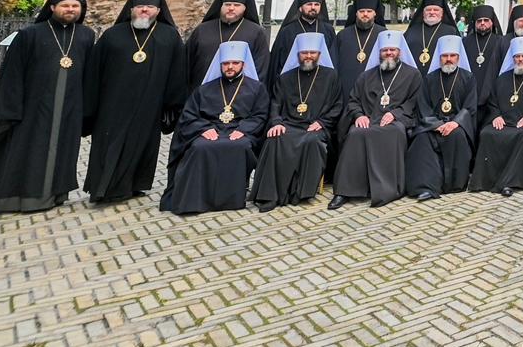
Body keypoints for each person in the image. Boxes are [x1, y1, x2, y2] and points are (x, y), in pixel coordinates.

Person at [0, 0, 94, 213]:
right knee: (28, 152)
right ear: (52, 7)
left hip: (69, 107)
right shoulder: (30, 34)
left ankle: (56, 195)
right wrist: (11, 109)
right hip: (32, 107)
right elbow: (11, 73)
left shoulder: (86, 35)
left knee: (62, 151)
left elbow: (90, 73)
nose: (70, 9)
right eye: (65, 5)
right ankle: (20, 199)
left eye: (75, 6)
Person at [82, 0, 188, 205]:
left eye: (150, 6)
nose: (144, 10)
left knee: (142, 146)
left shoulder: (169, 36)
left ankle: (133, 185)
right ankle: (103, 189)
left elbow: (178, 71)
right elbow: (94, 70)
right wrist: (91, 104)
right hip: (112, 104)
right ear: (131, 9)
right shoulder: (113, 34)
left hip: (150, 104)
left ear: (158, 10)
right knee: (108, 146)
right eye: (140, 6)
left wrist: (172, 104)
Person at [167, 40, 269, 215]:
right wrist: (202, 129)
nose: (230, 67)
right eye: (226, 63)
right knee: (199, 146)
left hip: (240, 131)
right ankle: (197, 199)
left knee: (241, 146)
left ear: (243, 65)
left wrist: (243, 130)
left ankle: (231, 199)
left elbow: (260, 115)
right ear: (220, 65)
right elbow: (189, 115)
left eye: (235, 63)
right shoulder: (204, 89)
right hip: (209, 129)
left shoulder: (257, 88)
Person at [329, 30, 421, 209]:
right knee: (355, 133)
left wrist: (396, 113)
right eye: (385, 50)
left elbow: (414, 101)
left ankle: (386, 189)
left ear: (399, 51)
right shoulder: (366, 76)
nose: (388, 53)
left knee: (395, 132)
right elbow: (354, 100)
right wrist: (359, 115)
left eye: (392, 50)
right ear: (379, 52)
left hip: (395, 122)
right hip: (369, 120)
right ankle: (344, 191)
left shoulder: (413, 74)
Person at [252, 32, 342, 212]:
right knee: (275, 138)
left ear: (319, 54)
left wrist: (323, 122)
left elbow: (337, 105)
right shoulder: (285, 78)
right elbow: (275, 103)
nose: (308, 56)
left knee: (311, 140)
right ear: (298, 54)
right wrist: (276, 122)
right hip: (288, 124)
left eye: (312, 52)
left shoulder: (331, 76)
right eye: (304, 53)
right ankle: (269, 195)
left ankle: (299, 192)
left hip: (315, 126)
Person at [469, 37, 523, 195]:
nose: (520, 59)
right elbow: (492, 101)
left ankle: (512, 182)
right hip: (502, 121)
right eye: (517, 56)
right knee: (486, 133)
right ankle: (484, 181)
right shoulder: (502, 78)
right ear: (512, 58)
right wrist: (496, 115)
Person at [405, 35, 478, 200]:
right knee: (421, 138)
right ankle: (425, 187)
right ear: (439, 57)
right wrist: (436, 125)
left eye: (452, 55)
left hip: (456, 125)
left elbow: (469, 107)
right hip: (432, 125)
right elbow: (423, 106)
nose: (449, 59)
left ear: (458, 57)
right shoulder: (430, 78)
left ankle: (453, 185)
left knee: (457, 136)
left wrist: (455, 123)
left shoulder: (468, 78)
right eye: (445, 56)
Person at [185, 0, 270, 89]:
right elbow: (187, 62)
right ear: (221, 6)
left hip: (240, 93)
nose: (231, 8)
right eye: (227, 4)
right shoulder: (202, 29)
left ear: (244, 8)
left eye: (237, 5)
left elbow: (261, 66)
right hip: (201, 91)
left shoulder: (255, 32)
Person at [267, 0, 337, 88]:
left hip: (321, 84)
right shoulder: (287, 31)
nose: (313, 7)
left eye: (316, 4)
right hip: (293, 84)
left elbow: (333, 58)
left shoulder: (328, 30)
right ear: (300, 7)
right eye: (309, 4)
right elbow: (277, 62)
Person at [331, 0, 387, 99]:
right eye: (361, 11)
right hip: (345, 87)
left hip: (374, 86)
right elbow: (334, 62)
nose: (365, 14)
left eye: (369, 11)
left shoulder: (383, 34)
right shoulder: (343, 35)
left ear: (375, 13)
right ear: (356, 13)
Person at [461, 4, 508, 93]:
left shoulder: (500, 41)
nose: (482, 23)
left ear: (492, 22)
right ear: (474, 22)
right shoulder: (465, 41)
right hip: (469, 87)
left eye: (486, 20)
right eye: (479, 20)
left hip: (492, 87)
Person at [403, 0, 460, 68]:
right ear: (423, 13)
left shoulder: (451, 32)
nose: (432, 12)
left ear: (442, 13)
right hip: (413, 73)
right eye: (428, 10)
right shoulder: (411, 31)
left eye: (436, 10)